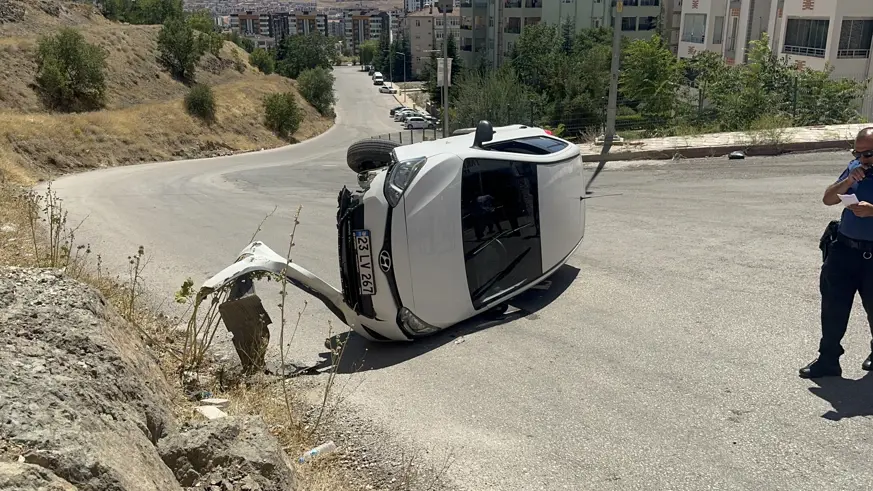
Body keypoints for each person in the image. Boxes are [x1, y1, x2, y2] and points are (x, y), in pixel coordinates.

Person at [800, 127, 873, 378]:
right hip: (844, 249)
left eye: (869, 154)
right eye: (859, 152)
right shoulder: (855, 168)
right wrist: (849, 180)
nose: (864, 159)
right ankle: (828, 359)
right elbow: (829, 199)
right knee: (833, 307)